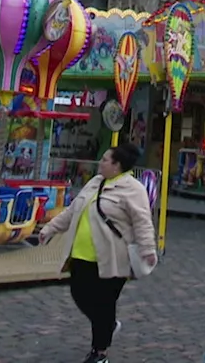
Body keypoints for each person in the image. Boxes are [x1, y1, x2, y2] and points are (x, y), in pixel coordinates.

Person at [40, 143, 157, 363]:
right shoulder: (95, 183)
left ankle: (99, 352)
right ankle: (107, 326)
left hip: (113, 259)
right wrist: (49, 229)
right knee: (80, 294)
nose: (100, 162)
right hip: (82, 255)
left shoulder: (133, 189)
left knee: (104, 304)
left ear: (117, 165)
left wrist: (148, 249)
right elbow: (73, 210)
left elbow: (143, 222)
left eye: (105, 159)